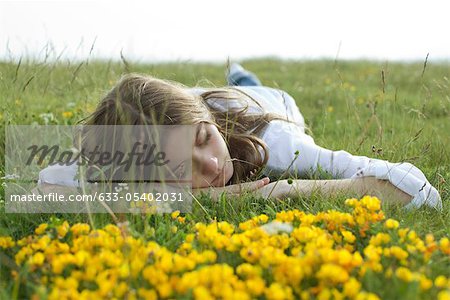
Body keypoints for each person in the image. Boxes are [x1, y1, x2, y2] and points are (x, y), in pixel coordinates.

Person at [38, 64, 442, 210]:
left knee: (249, 86)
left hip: (268, 104)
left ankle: (242, 76)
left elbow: (417, 191)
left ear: (206, 123)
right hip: (206, 103)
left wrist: (280, 191)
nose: (214, 166)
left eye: (203, 141)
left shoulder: (279, 144)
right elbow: (44, 186)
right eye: (182, 168)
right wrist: (183, 198)